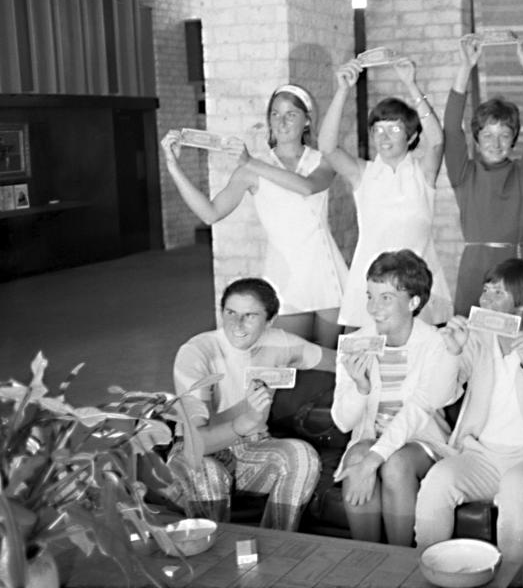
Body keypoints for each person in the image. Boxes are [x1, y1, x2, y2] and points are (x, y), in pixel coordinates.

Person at [416, 258, 523, 588]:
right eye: (485, 290)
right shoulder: (477, 338)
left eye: (497, 292)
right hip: (481, 456)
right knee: (438, 481)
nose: (485, 300)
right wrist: (452, 353)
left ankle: (514, 583)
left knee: (516, 488)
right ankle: (428, 577)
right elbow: (440, 396)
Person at [161, 84, 348, 348]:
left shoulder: (323, 161)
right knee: (288, 363)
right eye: (275, 114)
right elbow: (210, 214)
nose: (281, 122)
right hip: (284, 277)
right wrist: (173, 166)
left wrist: (250, 162)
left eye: (291, 114)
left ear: (307, 120)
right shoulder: (250, 171)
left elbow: (306, 187)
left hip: (328, 273)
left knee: (332, 363)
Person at [168, 277, 333, 530]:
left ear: (269, 320)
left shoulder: (280, 342)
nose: (237, 324)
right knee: (209, 473)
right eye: (230, 313)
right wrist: (243, 423)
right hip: (195, 455)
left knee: (302, 456)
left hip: (252, 450)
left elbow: (338, 361)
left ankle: (277, 546)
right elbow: (196, 443)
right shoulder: (197, 351)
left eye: (250, 316)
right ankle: (216, 559)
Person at [331, 249, 460, 546]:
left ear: (413, 302)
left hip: (421, 440)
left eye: (386, 298)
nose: (374, 308)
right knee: (356, 457)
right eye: (370, 296)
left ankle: (399, 563)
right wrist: (360, 386)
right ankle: (369, 563)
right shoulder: (353, 343)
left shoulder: (436, 344)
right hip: (369, 437)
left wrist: (373, 460)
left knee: (396, 463)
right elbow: (341, 422)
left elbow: (421, 408)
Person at [318, 58, 452, 330]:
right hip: (370, 283)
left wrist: (411, 84)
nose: (384, 136)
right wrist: (343, 90)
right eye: (378, 129)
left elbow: (437, 141)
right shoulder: (362, 173)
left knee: (421, 362)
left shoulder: (422, 172)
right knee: (364, 363)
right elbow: (327, 147)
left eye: (394, 128)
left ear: (412, 136)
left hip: (419, 283)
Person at [444, 35, 523, 321]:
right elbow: (451, 129)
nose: (495, 142)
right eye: (487, 135)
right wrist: (466, 67)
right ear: (476, 139)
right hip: (475, 271)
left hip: (518, 271)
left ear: (514, 139)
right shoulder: (464, 173)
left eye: (504, 135)